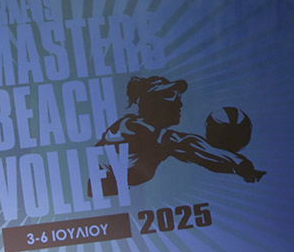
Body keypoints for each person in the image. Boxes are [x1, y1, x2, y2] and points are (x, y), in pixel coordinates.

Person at [89, 75, 265, 197]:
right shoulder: (135, 128)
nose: (179, 102)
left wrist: (237, 164)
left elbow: (188, 146)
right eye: (170, 95)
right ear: (150, 102)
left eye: (178, 96)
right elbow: (188, 145)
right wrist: (239, 164)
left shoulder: (148, 135)